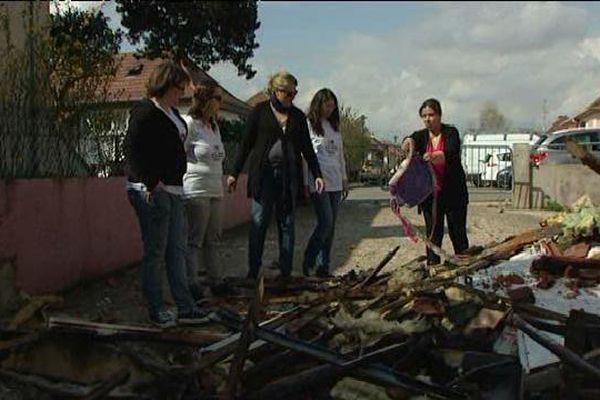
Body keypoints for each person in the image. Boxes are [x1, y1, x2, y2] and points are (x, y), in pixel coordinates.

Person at [124, 60, 207, 327]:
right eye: (178, 87)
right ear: (165, 85)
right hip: (153, 191)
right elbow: (132, 150)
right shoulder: (145, 111)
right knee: (157, 251)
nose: (181, 92)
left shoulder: (172, 114)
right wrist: (151, 183)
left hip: (174, 188)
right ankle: (157, 307)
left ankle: (185, 306)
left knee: (176, 250)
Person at [227, 70, 325, 280]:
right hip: (264, 176)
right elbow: (245, 145)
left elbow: (307, 148)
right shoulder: (260, 112)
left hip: (288, 177)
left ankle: (286, 271)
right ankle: (253, 270)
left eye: (294, 93)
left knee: (287, 224)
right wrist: (234, 173)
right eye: (287, 93)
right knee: (259, 222)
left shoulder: (298, 116)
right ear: (275, 90)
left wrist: (317, 174)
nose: (291, 97)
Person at [401, 98, 469, 265]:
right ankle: (433, 271)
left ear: (439, 115)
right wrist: (407, 142)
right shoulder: (421, 136)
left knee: (458, 234)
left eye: (431, 115)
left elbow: (451, 152)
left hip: (454, 194)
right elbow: (408, 140)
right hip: (431, 197)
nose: (428, 119)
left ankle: (467, 269)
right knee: (433, 236)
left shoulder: (451, 132)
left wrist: (435, 156)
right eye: (424, 116)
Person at [183, 82, 227, 299]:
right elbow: (178, 153)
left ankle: (216, 280)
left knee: (214, 238)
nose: (221, 103)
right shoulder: (190, 124)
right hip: (197, 188)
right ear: (206, 100)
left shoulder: (214, 126)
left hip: (215, 187)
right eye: (217, 98)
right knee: (195, 239)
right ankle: (192, 283)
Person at [302, 88, 348, 278]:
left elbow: (340, 156)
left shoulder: (334, 127)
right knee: (325, 222)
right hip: (318, 181)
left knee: (331, 226)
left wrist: (345, 178)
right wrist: (306, 182)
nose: (330, 109)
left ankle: (324, 266)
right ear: (319, 104)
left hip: (336, 180)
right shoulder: (310, 125)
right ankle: (309, 258)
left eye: (332, 106)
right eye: (327, 105)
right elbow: (306, 156)